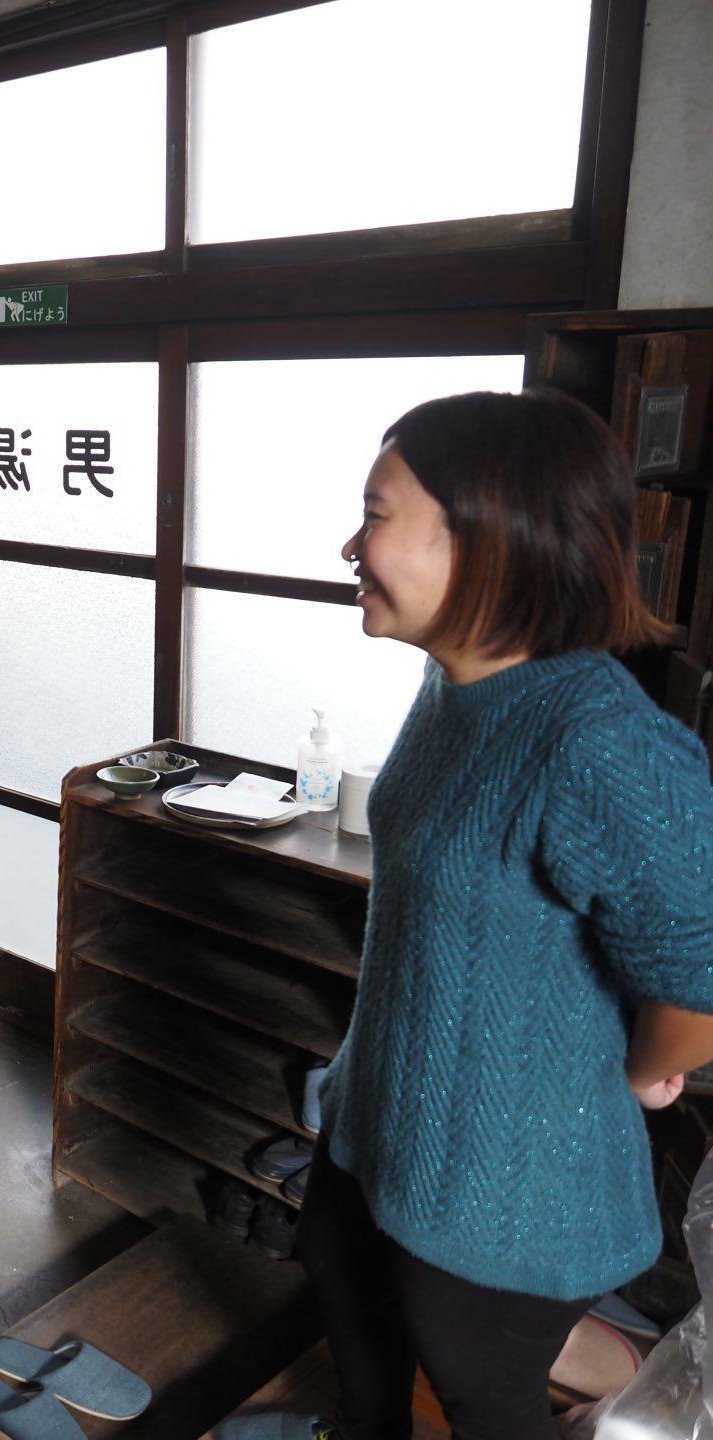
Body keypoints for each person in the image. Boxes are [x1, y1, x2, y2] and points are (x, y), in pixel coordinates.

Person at [289, 389, 713, 1440]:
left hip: (508, 1190)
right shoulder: (456, 688)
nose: (351, 544)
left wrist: (611, 1076)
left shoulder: (600, 742)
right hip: (379, 1122)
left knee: (485, 1398)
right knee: (348, 1313)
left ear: (488, 543)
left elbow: (700, 977)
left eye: (376, 515)